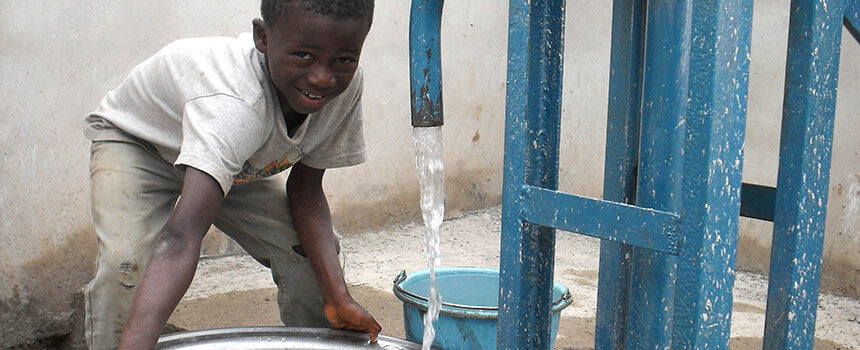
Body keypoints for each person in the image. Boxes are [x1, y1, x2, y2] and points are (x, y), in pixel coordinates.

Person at [82, 1, 381, 349]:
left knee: (305, 249)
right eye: (303, 56)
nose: (322, 77)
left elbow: (306, 190)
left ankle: (322, 337)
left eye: (343, 59)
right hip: (140, 143)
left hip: (234, 160)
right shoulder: (235, 107)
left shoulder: (342, 92)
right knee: (127, 267)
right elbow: (181, 238)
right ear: (263, 37)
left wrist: (337, 296)